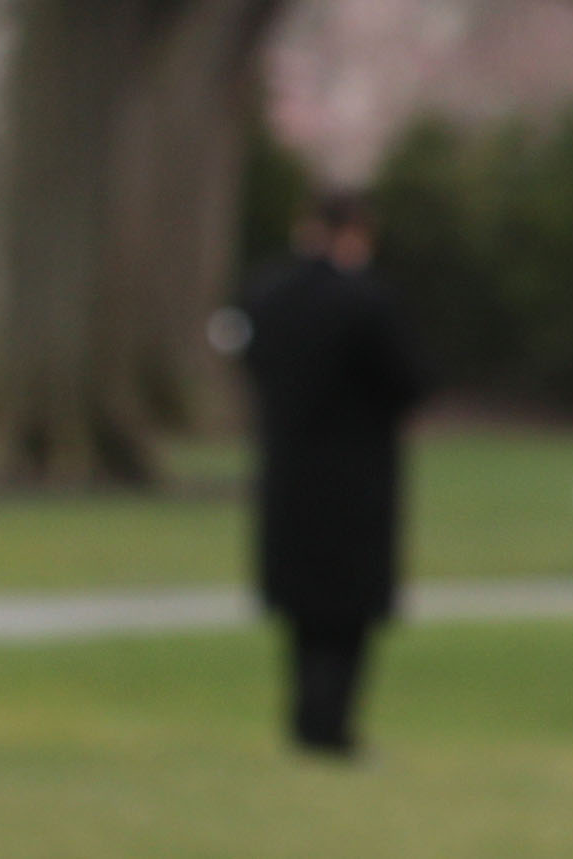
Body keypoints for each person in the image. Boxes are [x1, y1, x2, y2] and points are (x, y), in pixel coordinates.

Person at [230, 189, 431, 758]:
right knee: (348, 613)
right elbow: (409, 380)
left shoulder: (266, 296)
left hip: (288, 471)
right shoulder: (366, 301)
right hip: (355, 475)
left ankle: (302, 719)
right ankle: (333, 724)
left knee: (302, 611)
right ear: (356, 233)